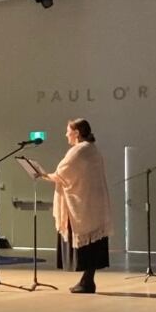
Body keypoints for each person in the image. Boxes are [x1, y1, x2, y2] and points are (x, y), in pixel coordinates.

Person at [39, 118, 113, 294]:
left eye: (68, 131)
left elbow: (62, 174)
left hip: (84, 206)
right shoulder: (92, 149)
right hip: (94, 204)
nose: (66, 134)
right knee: (93, 244)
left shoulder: (79, 151)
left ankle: (87, 282)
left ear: (77, 133)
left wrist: (41, 175)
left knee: (87, 244)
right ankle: (87, 280)